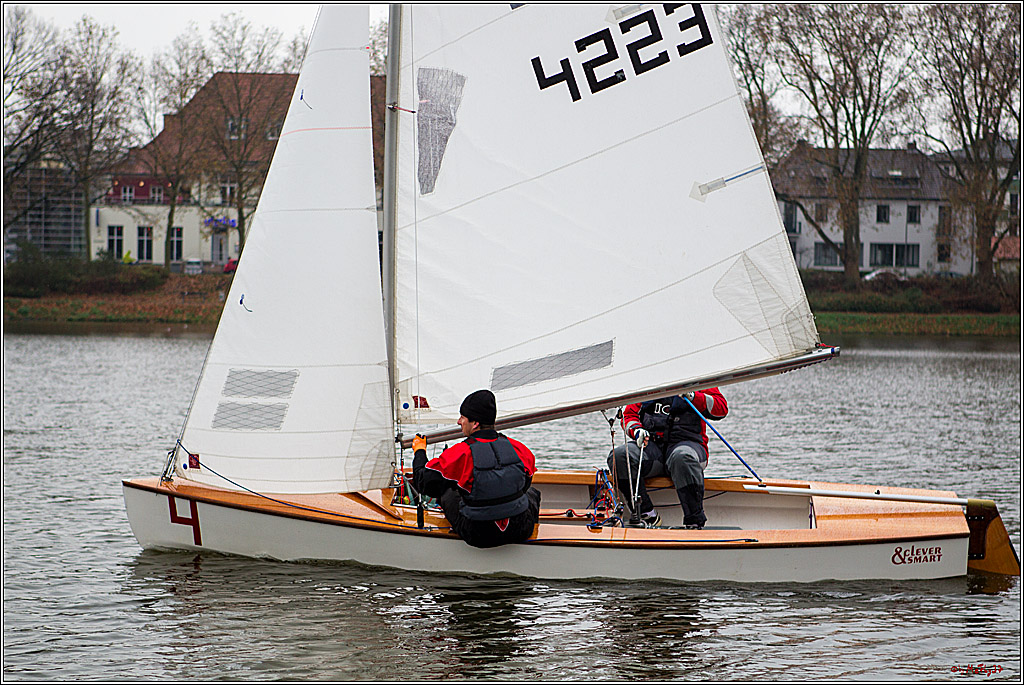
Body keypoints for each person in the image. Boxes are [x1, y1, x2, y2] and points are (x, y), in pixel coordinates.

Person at [411, 389, 541, 548]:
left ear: (475, 423)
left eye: (462, 417)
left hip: (479, 534)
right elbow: (525, 484)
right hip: (520, 529)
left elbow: (423, 482)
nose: (459, 422)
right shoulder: (520, 449)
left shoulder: (461, 453)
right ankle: (530, 545)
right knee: (532, 492)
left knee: (447, 492)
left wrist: (419, 450)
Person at [608, 389, 728, 529]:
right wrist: (636, 430)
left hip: (689, 446)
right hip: (652, 448)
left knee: (682, 457)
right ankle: (647, 515)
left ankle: (694, 522)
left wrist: (694, 396)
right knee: (620, 456)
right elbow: (629, 415)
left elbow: (721, 409)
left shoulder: (697, 381)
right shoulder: (647, 383)